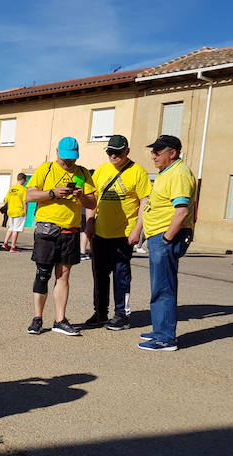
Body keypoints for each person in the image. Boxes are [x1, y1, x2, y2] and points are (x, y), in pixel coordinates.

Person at [25, 137, 97, 336]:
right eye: (65, 158)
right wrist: (53, 193)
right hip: (47, 230)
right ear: (57, 152)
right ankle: (37, 318)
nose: (69, 162)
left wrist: (81, 196)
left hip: (70, 232)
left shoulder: (82, 173)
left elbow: (92, 203)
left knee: (63, 276)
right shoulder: (45, 169)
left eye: (72, 158)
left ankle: (60, 320)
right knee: (42, 274)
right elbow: (30, 196)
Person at [84, 135, 151, 331]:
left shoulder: (137, 171)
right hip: (101, 232)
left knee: (121, 274)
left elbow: (145, 203)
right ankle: (101, 312)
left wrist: (138, 230)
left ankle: (121, 314)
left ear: (127, 151)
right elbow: (92, 199)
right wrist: (89, 223)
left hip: (124, 233)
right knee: (100, 274)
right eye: (109, 151)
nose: (113, 155)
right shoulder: (102, 170)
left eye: (117, 152)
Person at [138, 135, 196, 351]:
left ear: (172, 153)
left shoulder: (179, 174)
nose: (153, 155)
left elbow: (181, 211)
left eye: (158, 152)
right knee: (159, 286)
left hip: (166, 237)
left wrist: (166, 238)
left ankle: (165, 338)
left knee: (164, 287)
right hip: (158, 236)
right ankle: (159, 329)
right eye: (153, 151)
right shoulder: (167, 172)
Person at [1, 173, 27, 252]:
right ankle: (13, 247)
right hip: (19, 211)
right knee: (16, 229)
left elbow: (5, 200)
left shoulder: (11, 188)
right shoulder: (24, 189)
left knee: (11, 228)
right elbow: (25, 201)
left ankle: (5, 243)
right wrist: (25, 212)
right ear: (23, 180)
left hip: (10, 211)